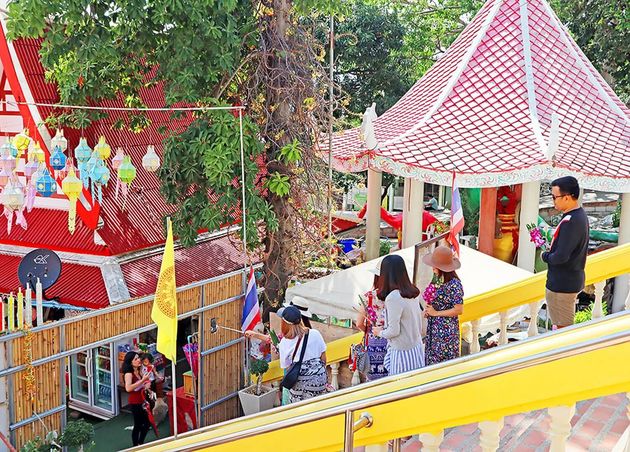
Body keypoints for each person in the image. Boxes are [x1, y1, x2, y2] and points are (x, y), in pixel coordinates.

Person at [541, 176, 589, 328]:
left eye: (555, 197)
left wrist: (545, 256)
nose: (553, 201)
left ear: (567, 198)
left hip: (562, 285)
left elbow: (561, 256)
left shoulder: (571, 221)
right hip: (567, 282)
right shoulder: (578, 215)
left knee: (563, 330)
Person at [372, 255, 424, 376]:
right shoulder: (412, 292)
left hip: (402, 352)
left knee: (400, 389)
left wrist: (379, 332)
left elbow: (394, 331)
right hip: (416, 348)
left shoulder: (393, 298)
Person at [422, 246, 464, 365]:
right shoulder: (438, 280)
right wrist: (430, 311)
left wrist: (436, 313)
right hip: (434, 329)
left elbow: (459, 309)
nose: (433, 267)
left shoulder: (454, 284)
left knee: (443, 364)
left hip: (446, 332)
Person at [278, 306, 327, 403]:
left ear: (284, 324)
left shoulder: (285, 342)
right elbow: (324, 358)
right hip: (319, 379)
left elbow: (287, 367)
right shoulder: (315, 333)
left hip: (300, 383)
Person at [356, 262, 388, 380]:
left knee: (373, 381)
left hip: (372, 343)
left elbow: (359, 323)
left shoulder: (368, 297)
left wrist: (370, 331)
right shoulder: (395, 296)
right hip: (391, 340)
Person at [122, 351, 151, 446]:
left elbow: (144, 383)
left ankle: (140, 442)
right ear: (130, 362)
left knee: (146, 423)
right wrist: (143, 380)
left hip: (142, 400)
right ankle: (136, 445)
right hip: (135, 402)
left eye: (138, 358)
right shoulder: (128, 374)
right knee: (138, 425)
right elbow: (128, 388)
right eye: (136, 359)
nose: (139, 360)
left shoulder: (139, 371)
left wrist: (147, 384)